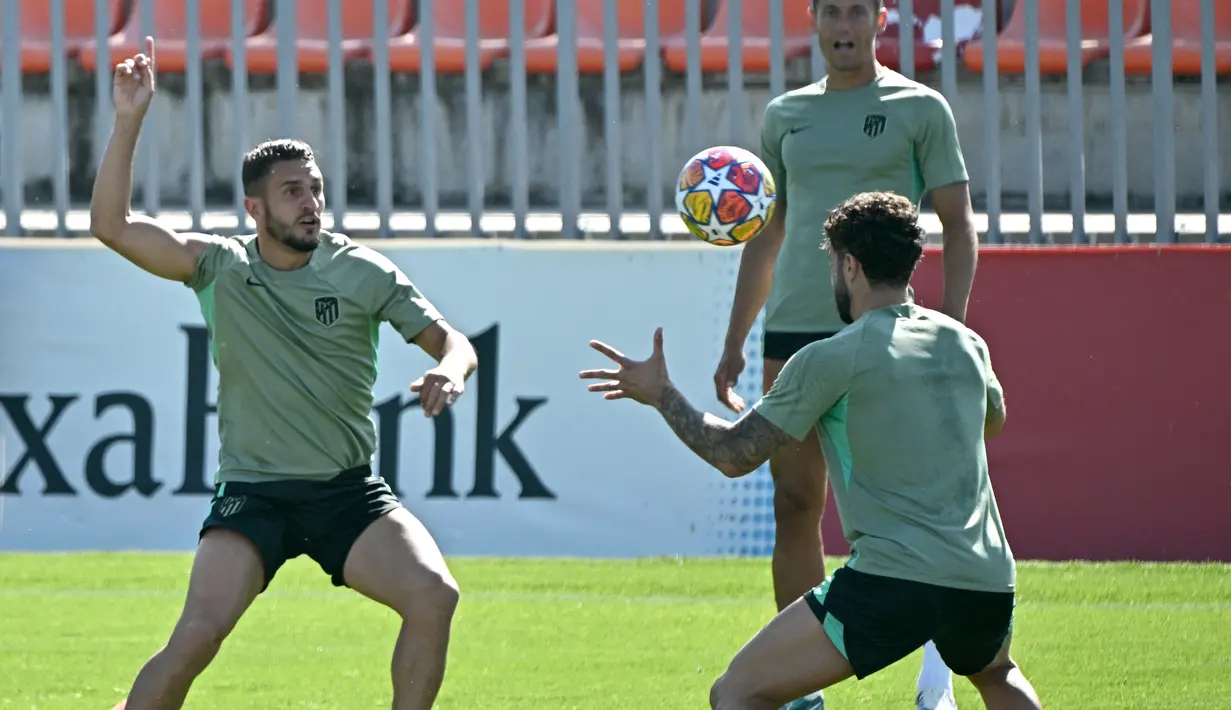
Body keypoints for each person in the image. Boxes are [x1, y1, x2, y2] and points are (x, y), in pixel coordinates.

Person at [94, 39, 475, 710]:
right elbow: (112, 227)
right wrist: (129, 120)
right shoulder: (219, 267)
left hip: (347, 495)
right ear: (255, 209)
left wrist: (450, 370)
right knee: (197, 636)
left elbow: (454, 340)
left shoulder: (362, 270)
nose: (310, 203)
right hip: (255, 496)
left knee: (433, 595)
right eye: (292, 192)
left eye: (315, 189)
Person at [581, 192, 1040, 710]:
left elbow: (733, 454)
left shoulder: (831, 357)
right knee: (998, 674)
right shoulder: (965, 343)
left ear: (849, 265)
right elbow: (992, 420)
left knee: (737, 693)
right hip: (986, 577)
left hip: (892, 580)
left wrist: (663, 395)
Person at [712, 1, 980, 707]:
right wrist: (737, 338)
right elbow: (766, 235)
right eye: (830, 9)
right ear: (814, 20)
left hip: (887, 333)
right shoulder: (784, 115)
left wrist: (947, 326)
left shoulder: (920, 108)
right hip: (793, 331)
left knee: (909, 512)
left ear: (878, 18)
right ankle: (798, 690)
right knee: (794, 502)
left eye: (855, 10)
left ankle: (938, 674)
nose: (843, 23)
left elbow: (956, 223)